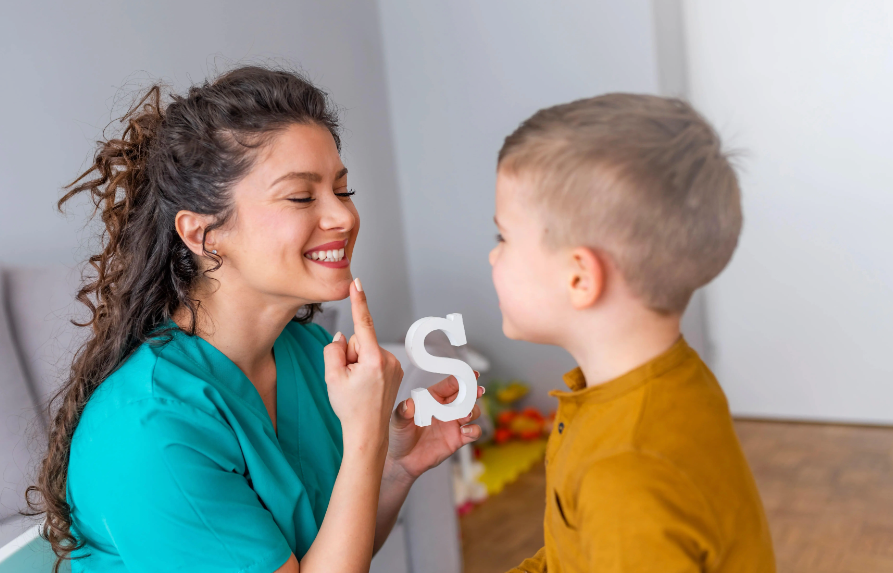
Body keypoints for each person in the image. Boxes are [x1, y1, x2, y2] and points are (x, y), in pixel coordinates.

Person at [26, 65, 483, 573]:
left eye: (343, 190)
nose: (344, 217)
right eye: (301, 196)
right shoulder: (152, 429)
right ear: (203, 234)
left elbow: (326, 556)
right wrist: (365, 439)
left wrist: (395, 467)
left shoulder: (309, 354)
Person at [489, 94, 775, 572]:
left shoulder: (626, 473)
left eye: (503, 238)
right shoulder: (666, 379)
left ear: (580, 277)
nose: (493, 256)